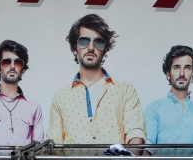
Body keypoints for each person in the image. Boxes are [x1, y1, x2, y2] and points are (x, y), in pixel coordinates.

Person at [48, 14, 146, 146]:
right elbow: (54, 148)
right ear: (74, 47)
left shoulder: (126, 91)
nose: (90, 47)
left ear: (105, 49)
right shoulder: (61, 97)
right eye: (84, 41)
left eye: (98, 42)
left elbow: (135, 136)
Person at [144, 45, 193, 146]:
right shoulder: (153, 109)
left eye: (187, 68)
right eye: (176, 67)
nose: (182, 73)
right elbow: (148, 148)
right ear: (168, 73)